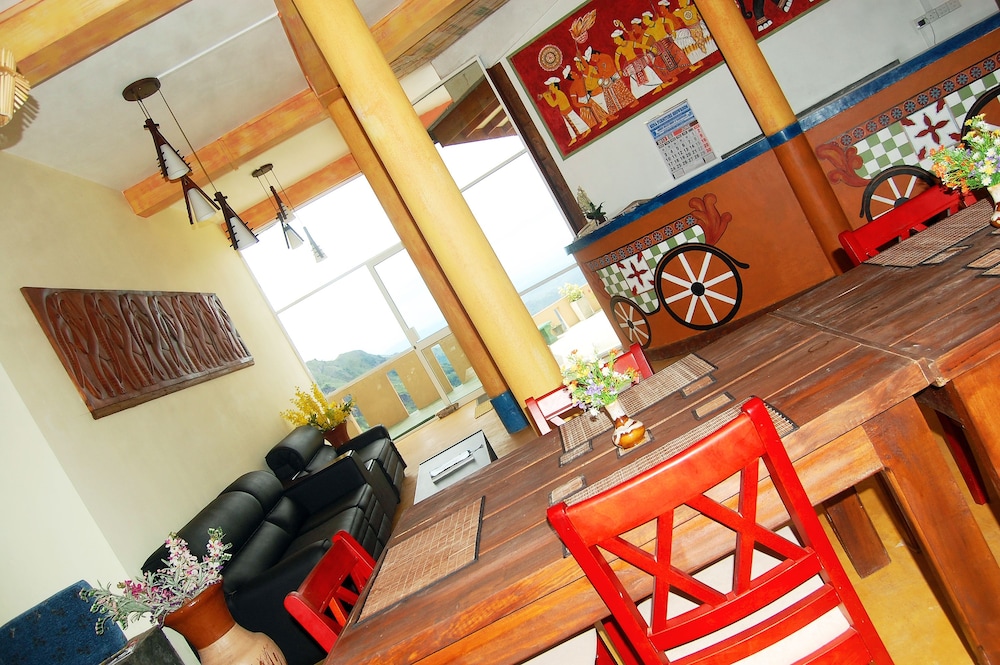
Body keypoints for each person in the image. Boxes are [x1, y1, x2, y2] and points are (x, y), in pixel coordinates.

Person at [539, 76, 590, 145]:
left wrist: (547, 97)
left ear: (555, 87)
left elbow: (553, 104)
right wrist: (548, 96)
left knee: (576, 121)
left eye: (550, 86)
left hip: (568, 111)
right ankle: (574, 138)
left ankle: (587, 129)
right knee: (569, 125)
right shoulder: (557, 93)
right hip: (564, 112)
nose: (549, 88)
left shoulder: (559, 94)